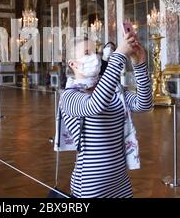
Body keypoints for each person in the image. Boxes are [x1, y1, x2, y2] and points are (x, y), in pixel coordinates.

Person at [59, 33, 153, 198]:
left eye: (95, 51)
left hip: (120, 181)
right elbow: (95, 105)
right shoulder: (69, 96)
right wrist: (118, 56)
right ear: (73, 63)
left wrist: (139, 65)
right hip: (90, 185)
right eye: (87, 53)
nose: (95, 56)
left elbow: (144, 104)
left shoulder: (114, 90)